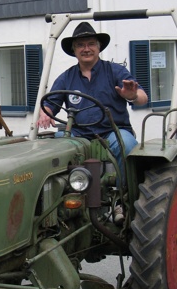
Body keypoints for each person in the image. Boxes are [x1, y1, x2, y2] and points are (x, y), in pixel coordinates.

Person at [37, 22, 148, 186]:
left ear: (99, 47)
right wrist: (45, 112)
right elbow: (49, 104)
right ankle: (67, 196)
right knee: (50, 148)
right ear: (74, 50)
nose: (86, 49)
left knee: (128, 145)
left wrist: (132, 96)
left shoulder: (115, 71)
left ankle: (124, 197)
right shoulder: (66, 78)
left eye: (91, 44)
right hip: (78, 134)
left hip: (113, 132)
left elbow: (142, 96)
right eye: (80, 45)